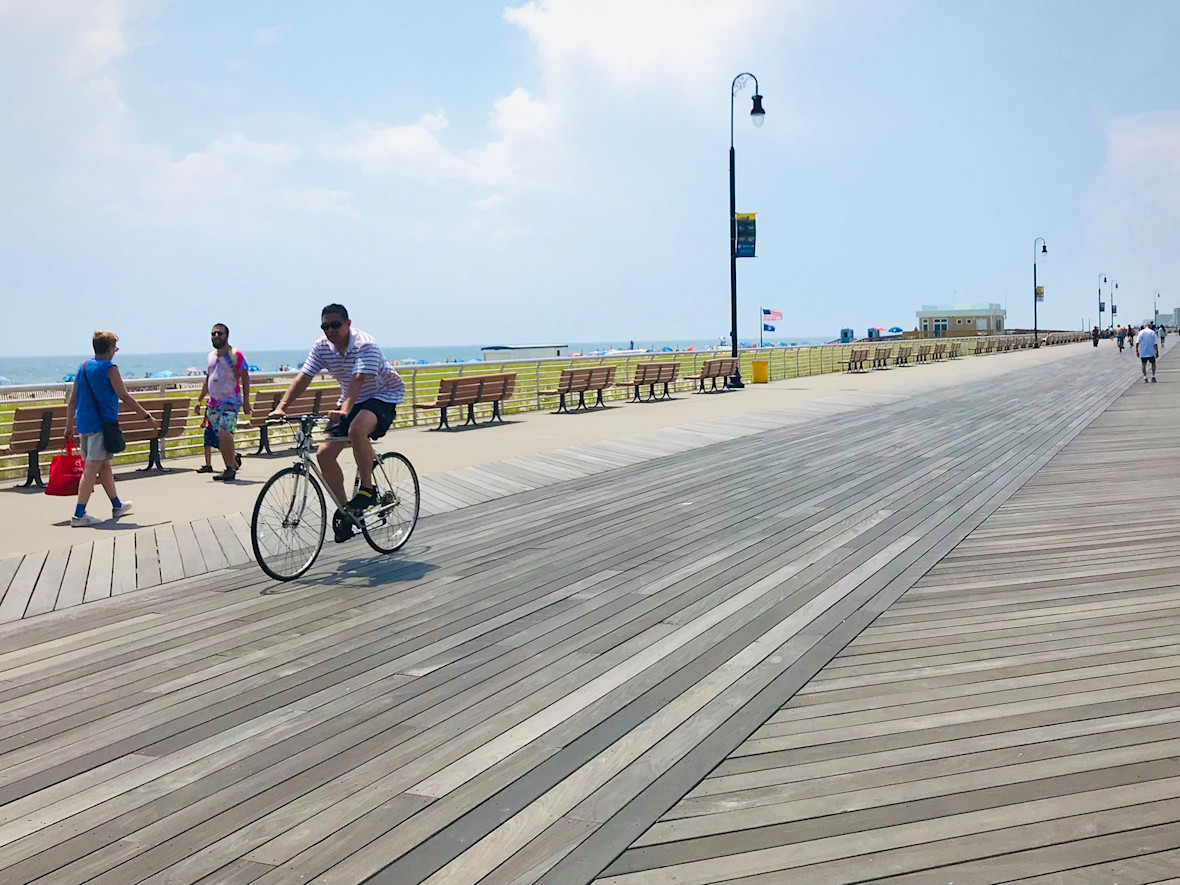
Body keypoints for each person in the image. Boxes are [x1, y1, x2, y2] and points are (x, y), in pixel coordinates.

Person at [269, 304, 405, 542]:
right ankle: (347, 512)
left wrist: (344, 411)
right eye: (325, 326)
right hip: (349, 400)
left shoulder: (366, 344)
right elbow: (304, 377)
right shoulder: (322, 346)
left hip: (382, 396)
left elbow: (359, 380)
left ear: (348, 323)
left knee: (356, 429)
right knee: (323, 454)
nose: (330, 330)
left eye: (335, 325)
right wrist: (282, 407)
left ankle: (367, 490)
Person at [64, 330, 158, 526]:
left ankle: (117, 505)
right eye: (115, 347)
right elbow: (124, 395)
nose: (116, 351)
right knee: (91, 469)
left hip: (84, 424)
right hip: (101, 425)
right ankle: (79, 514)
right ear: (108, 349)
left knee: (104, 464)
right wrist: (145, 415)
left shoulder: (82, 367)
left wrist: (68, 426)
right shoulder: (110, 368)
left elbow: (72, 401)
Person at [194, 323, 250, 480]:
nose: (216, 336)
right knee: (220, 437)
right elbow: (208, 379)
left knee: (225, 433)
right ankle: (230, 464)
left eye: (219, 333)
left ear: (227, 335)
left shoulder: (235, 354)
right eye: (213, 334)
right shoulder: (211, 356)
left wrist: (246, 401)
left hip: (231, 401)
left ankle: (230, 468)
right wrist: (200, 400)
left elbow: (245, 377)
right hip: (213, 403)